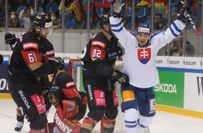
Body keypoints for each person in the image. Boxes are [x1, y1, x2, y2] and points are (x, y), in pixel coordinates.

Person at [110, 0, 190, 133]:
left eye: (145, 35)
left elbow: (171, 33)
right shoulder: (129, 41)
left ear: (150, 35)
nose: (142, 38)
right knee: (130, 115)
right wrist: (116, 14)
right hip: (130, 85)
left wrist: (181, 19)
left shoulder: (155, 42)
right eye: (140, 34)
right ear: (136, 34)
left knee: (147, 119)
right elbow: (117, 28)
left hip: (147, 87)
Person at [7, 14, 63, 133]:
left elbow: (47, 66)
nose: (48, 31)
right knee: (37, 120)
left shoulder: (46, 44)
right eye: (46, 28)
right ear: (38, 28)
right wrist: (54, 65)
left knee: (41, 119)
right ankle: (19, 120)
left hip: (32, 83)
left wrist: (47, 83)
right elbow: (36, 67)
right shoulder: (29, 39)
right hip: (19, 83)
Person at [80, 14, 128, 133]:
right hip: (93, 79)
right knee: (97, 112)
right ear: (103, 25)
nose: (112, 26)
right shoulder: (98, 41)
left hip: (106, 78)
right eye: (108, 24)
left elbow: (113, 60)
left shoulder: (114, 39)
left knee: (112, 112)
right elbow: (98, 65)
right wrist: (115, 74)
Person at [48, 67, 87, 133]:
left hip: (71, 110)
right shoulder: (54, 79)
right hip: (66, 112)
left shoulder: (63, 77)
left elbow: (75, 97)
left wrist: (74, 112)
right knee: (56, 129)